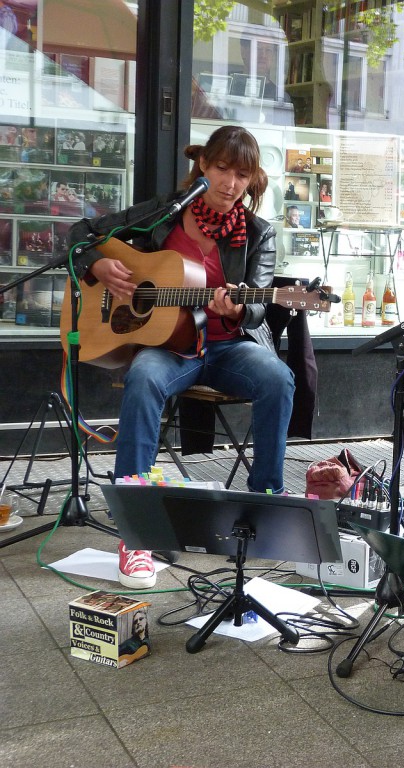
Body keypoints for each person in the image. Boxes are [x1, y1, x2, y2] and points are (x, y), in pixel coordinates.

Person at [69, 125, 295, 590]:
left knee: (279, 378)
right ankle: (137, 529)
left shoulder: (259, 234)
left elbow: (258, 305)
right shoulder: (163, 216)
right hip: (170, 348)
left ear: (252, 180)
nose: (230, 183)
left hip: (229, 346)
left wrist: (240, 306)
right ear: (203, 168)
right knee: (144, 378)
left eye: (242, 174)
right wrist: (96, 263)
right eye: (221, 169)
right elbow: (78, 234)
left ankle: (266, 502)